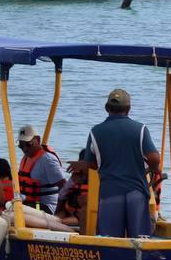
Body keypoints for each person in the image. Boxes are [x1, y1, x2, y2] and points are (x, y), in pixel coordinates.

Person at [67, 88, 162, 238]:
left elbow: (92, 164)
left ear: (106, 108)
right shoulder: (140, 129)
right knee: (139, 240)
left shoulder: (96, 132)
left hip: (110, 192)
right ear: (129, 109)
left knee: (110, 239)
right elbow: (154, 158)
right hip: (135, 192)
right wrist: (154, 168)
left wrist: (82, 165)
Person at [16, 124, 65, 214]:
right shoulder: (26, 158)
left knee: (14, 211)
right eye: (21, 146)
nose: (25, 149)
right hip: (30, 204)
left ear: (37, 140)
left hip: (46, 208)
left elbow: (64, 187)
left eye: (28, 144)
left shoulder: (47, 160)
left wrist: (60, 213)